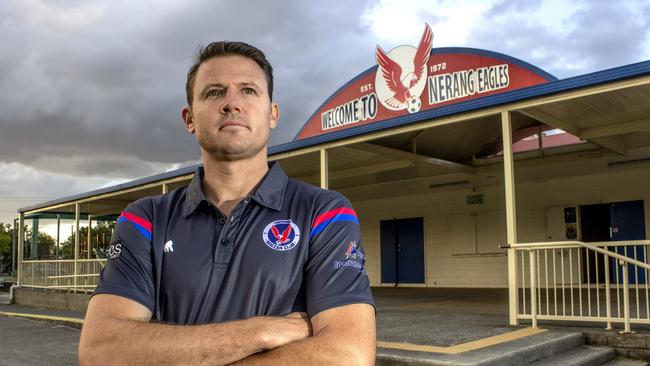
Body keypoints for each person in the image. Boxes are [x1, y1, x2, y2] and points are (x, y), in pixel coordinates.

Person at [78, 41, 376, 365]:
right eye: (214, 92)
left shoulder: (324, 212)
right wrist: (258, 333)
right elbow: (101, 350)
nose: (231, 104)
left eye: (248, 91)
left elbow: (349, 355)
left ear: (272, 113)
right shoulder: (146, 219)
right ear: (189, 118)